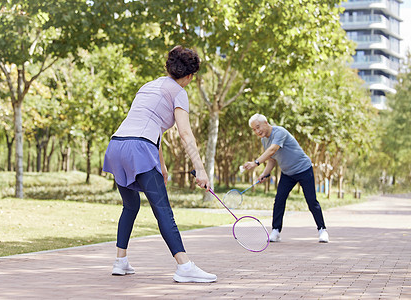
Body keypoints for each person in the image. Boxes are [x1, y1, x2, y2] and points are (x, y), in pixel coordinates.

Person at [102, 46, 217, 283]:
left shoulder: (148, 86)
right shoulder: (179, 92)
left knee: (130, 206)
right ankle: (184, 266)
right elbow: (185, 133)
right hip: (139, 149)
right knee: (163, 210)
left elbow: (152, 126)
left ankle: (120, 261)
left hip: (117, 146)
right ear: (189, 76)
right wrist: (201, 169)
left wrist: (161, 165)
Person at [243, 113, 329, 243]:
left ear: (266, 123)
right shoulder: (264, 140)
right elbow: (272, 160)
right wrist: (265, 174)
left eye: (258, 127)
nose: (257, 131)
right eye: (254, 129)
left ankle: (322, 230)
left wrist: (255, 163)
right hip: (288, 173)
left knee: (311, 201)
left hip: (303, 169)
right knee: (279, 200)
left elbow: (273, 150)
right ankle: (276, 231)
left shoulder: (279, 132)